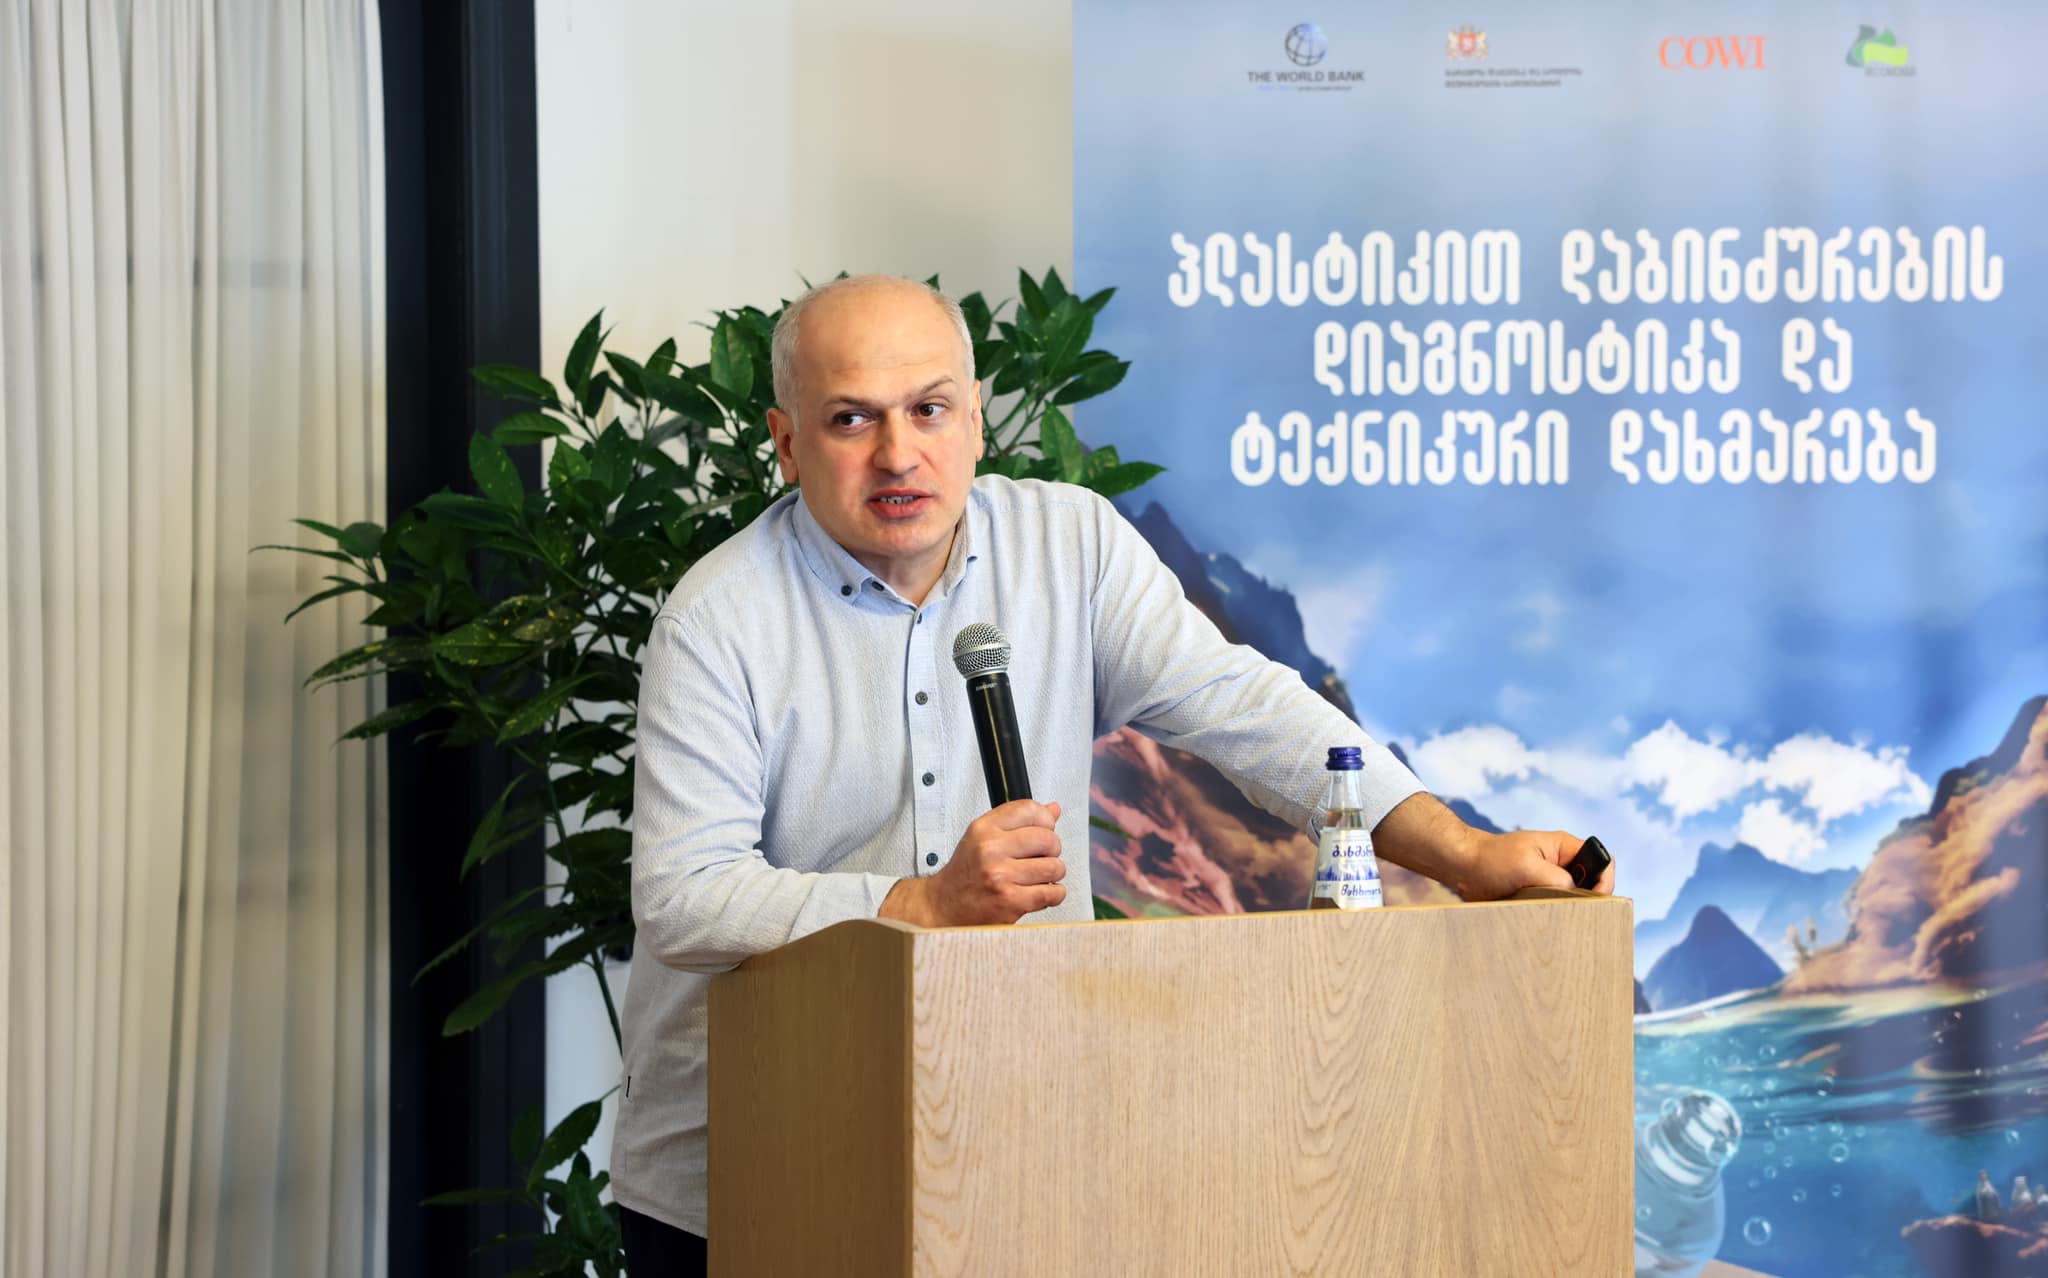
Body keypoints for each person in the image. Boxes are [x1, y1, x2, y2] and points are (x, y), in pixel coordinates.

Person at [610, 274, 1616, 1271]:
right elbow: (683, 898)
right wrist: (918, 904)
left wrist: (1463, 853)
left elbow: (1245, 708)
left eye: (928, 409)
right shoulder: (718, 621)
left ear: (975, 420)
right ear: (787, 443)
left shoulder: (1072, 546)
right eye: (850, 419)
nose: (898, 452)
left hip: (1017, 1156)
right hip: (755, 1173)